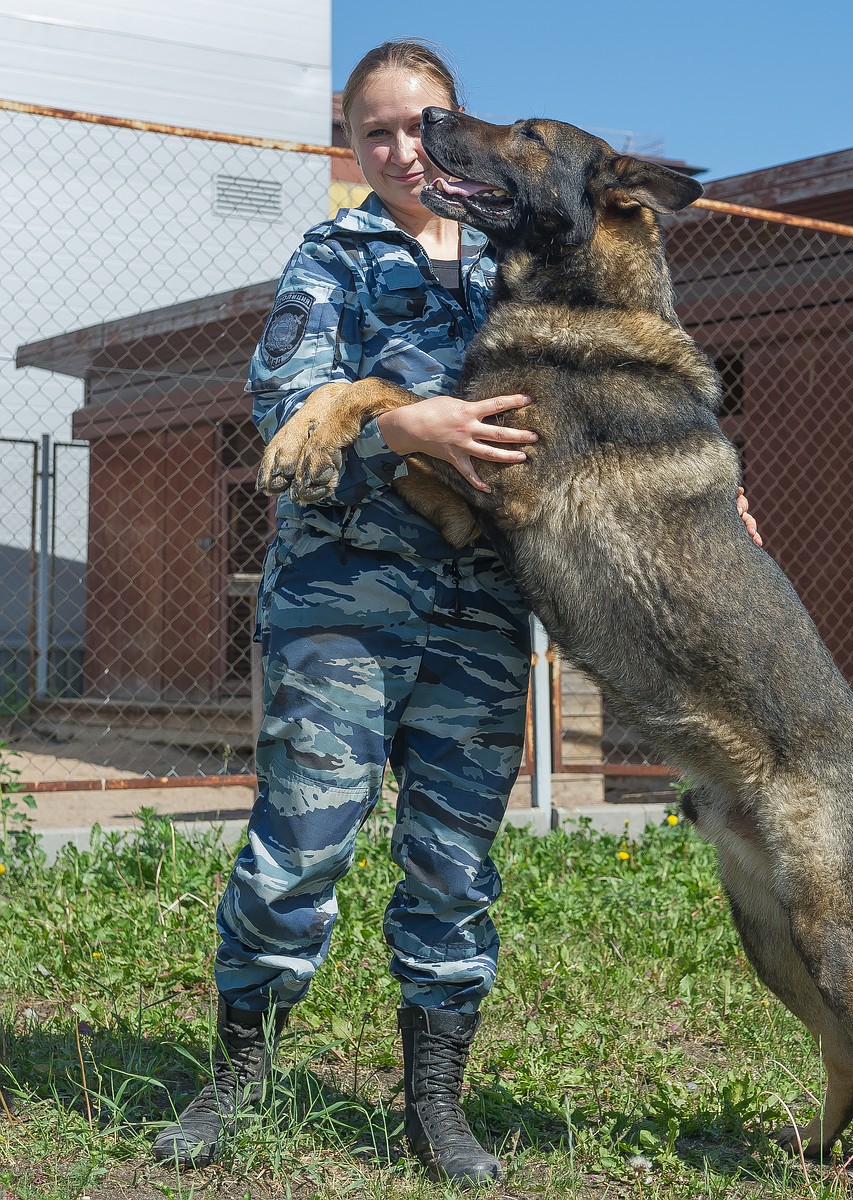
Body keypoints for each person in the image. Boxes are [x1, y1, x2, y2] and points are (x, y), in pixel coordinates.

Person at [152, 38, 759, 1186]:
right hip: (339, 600)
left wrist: (715, 487)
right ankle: (234, 1077)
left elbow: (623, 379)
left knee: (452, 867)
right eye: (372, 131)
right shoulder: (334, 252)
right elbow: (283, 398)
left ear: (449, 126)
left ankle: (435, 1101)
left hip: (481, 611)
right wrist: (402, 425)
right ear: (353, 147)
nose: (398, 148)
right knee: (299, 848)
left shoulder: (515, 254)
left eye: (415, 123)